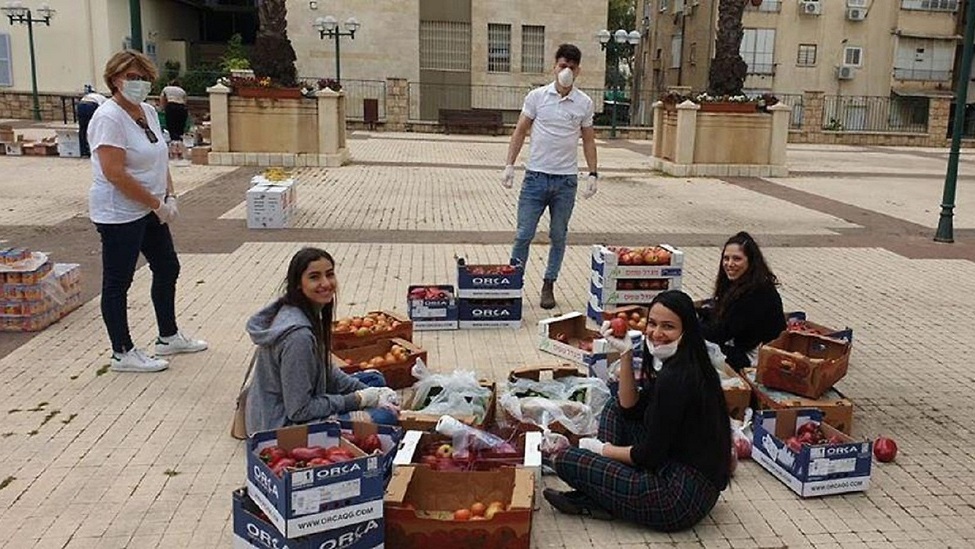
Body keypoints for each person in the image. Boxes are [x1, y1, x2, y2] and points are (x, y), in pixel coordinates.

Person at [543, 290, 731, 531]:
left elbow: (648, 455)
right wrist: (626, 353)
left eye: (668, 326)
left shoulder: (678, 377)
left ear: (687, 330)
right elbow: (629, 408)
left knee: (565, 459)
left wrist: (603, 449)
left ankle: (600, 494)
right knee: (614, 406)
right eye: (652, 323)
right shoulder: (680, 362)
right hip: (674, 469)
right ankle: (606, 491)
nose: (656, 333)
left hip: (677, 500)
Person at [88, 50, 208, 373]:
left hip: (151, 208)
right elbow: (114, 172)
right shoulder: (109, 118)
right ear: (114, 79)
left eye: (143, 78)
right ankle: (122, 351)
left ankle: (168, 335)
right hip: (120, 213)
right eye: (131, 77)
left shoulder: (149, 112)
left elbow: (159, 156)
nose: (138, 84)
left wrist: (169, 195)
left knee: (168, 266)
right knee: (118, 281)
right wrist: (154, 203)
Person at [245, 247, 400, 436]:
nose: (325, 283)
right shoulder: (298, 338)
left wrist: (372, 393)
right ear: (298, 284)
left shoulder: (303, 311)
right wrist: (358, 400)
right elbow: (299, 410)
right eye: (314, 277)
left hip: (288, 405)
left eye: (329, 274)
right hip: (280, 426)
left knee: (375, 380)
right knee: (385, 417)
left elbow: (328, 372)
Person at [503, 43, 598, 310]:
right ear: (554, 66)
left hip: (565, 181)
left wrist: (593, 173)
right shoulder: (537, 97)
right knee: (523, 234)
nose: (566, 70)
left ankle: (549, 283)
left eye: (571, 67)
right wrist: (509, 164)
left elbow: (589, 140)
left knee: (559, 235)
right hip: (535, 178)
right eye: (562, 65)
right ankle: (513, 284)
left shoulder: (584, 103)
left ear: (578, 70)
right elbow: (520, 130)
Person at [699, 231, 786, 372]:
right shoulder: (737, 284)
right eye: (726, 258)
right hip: (741, 344)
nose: (729, 264)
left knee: (693, 347)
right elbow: (720, 315)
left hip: (757, 357)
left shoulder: (758, 292)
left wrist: (686, 321)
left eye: (737, 259)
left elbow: (720, 333)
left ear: (750, 262)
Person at [77, 86, 107, 157]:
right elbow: (103, 110)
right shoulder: (104, 99)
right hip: (91, 105)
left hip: (81, 104)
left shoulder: (87, 96)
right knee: (93, 128)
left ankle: (83, 151)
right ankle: (92, 149)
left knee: (82, 128)